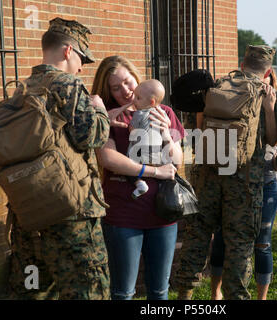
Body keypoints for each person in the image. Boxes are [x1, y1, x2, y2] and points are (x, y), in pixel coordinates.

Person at [176, 45, 277, 300]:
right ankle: (237, 296)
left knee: (197, 237)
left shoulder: (215, 89)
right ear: (267, 71)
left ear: (242, 64)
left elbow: (192, 131)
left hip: (208, 178)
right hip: (245, 182)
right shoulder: (272, 96)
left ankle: (184, 296)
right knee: (240, 245)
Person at [7, 17, 111, 299]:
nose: (81, 67)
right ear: (68, 51)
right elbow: (92, 137)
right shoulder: (67, 84)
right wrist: (99, 110)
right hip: (73, 210)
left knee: (37, 288)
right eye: (81, 59)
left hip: (30, 207)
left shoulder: (22, 87)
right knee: (88, 287)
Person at [91, 55, 185, 300]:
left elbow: (177, 160)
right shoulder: (108, 118)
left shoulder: (164, 111)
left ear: (136, 77)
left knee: (160, 290)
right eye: (115, 87)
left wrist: (166, 133)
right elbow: (108, 159)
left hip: (163, 213)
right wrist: (153, 171)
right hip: (124, 215)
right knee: (123, 292)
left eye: (127, 81)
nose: (125, 90)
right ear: (108, 90)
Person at [209, 69, 277, 300]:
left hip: (266, 180)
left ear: (270, 77)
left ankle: (262, 298)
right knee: (221, 238)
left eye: (265, 76)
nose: (259, 81)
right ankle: (215, 293)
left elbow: (273, 139)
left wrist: (269, 108)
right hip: (233, 180)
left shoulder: (275, 100)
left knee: (262, 243)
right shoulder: (233, 96)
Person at [126, 79, 170, 199]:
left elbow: (133, 130)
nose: (134, 100)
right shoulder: (162, 112)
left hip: (140, 151)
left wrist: (129, 126)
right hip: (157, 153)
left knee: (127, 168)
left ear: (151, 101)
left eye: (138, 98)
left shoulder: (139, 114)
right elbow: (168, 123)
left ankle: (140, 184)